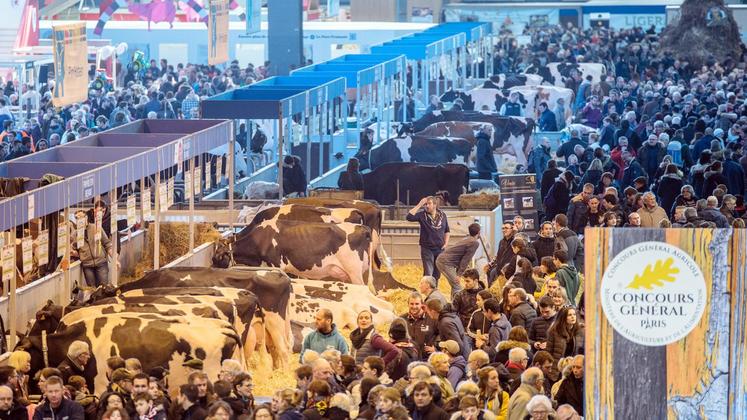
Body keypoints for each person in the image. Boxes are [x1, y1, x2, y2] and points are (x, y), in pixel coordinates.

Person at [407, 196, 450, 280]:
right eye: (425, 204)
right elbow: (409, 217)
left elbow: (447, 230)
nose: (426, 206)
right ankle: (428, 291)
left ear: (435, 204)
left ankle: (434, 290)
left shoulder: (442, 215)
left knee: (437, 273)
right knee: (428, 273)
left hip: (440, 248)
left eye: (429, 203)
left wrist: (446, 243)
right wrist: (419, 204)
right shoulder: (422, 215)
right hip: (427, 248)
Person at [435, 223, 481, 298]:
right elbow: (466, 260)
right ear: (479, 232)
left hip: (443, 260)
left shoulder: (467, 239)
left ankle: (453, 304)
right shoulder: (474, 243)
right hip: (446, 262)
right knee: (457, 285)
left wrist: (459, 273)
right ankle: (458, 305)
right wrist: (459, 274)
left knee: (455, 285)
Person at [71, 208, 114, 287]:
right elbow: (73, 249)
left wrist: (115, 259)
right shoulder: (75, 234)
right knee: (92, 289)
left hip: (101, 262)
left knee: (104, 287)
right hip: (87, 265)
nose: (79, 219)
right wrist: (76, 254)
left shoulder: (96, 228)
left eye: (81, 217)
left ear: (86, 217)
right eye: (77, 218)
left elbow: (107, 243)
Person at [402, 292, 437, 359]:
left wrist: (436, 347)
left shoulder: (431, 317)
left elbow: (440, 334)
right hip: (409, 358)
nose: (414, 306)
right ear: (408, 304)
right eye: (411, 304)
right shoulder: (402, 319)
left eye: (417, 304)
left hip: (427, 359)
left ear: (422, 304)